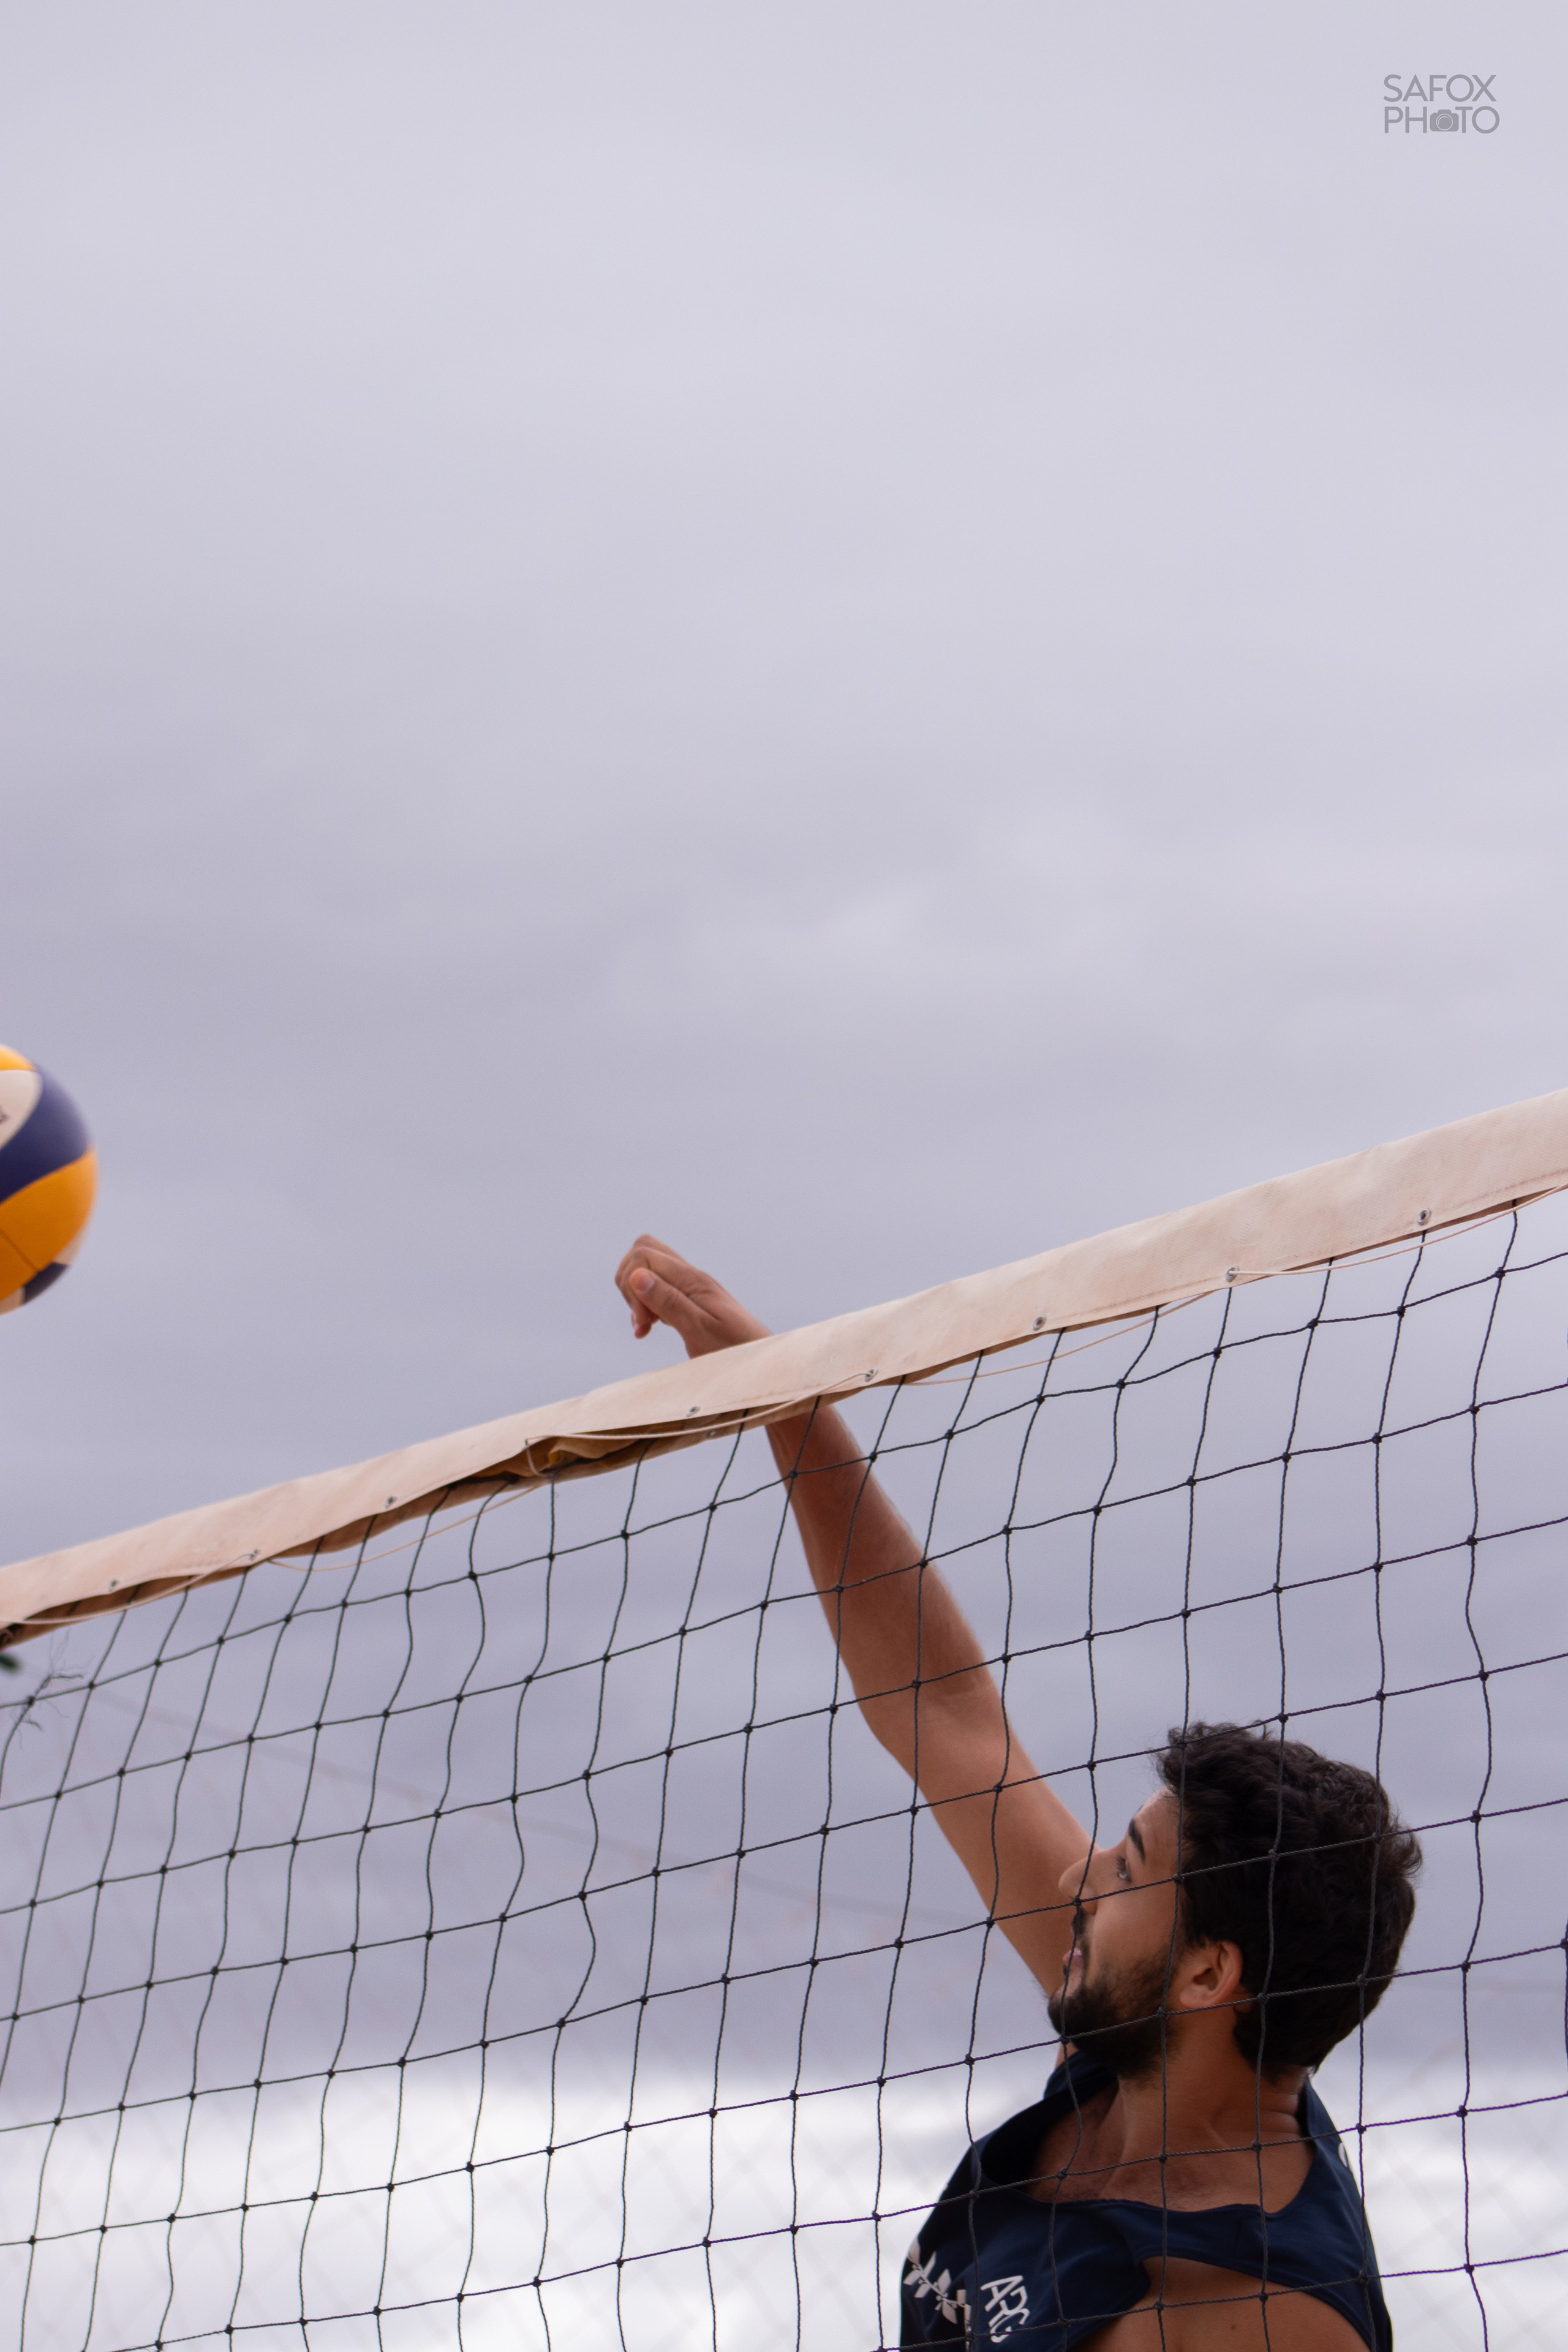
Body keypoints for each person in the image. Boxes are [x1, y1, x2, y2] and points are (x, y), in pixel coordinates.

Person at [615, 1237, 1421, 2352]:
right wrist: (780, 1394)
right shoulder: (1143, 2038)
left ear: (1208, 1972)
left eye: (1128, 1870)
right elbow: (942, 1708)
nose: (1075, 1873)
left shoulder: (1250, 2310)